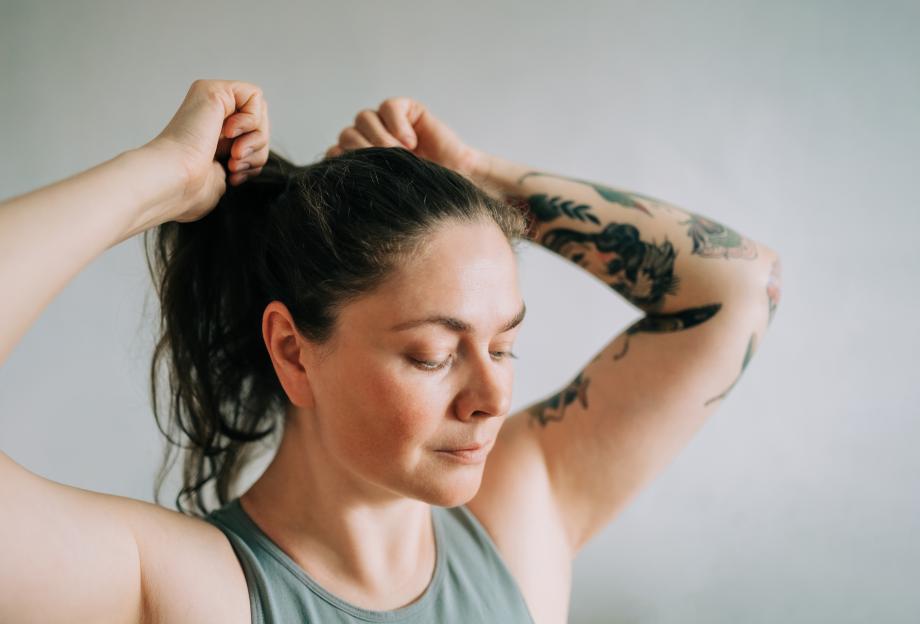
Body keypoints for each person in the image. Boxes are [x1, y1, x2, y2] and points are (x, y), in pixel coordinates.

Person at [0, 79, 782, 623]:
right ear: (295, 352)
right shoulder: (188, 591)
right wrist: (160, 181)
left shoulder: (520, 517)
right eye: (434, 356)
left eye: (505, 345)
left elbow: (740, 286)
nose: (492, 396)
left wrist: (482, 182)